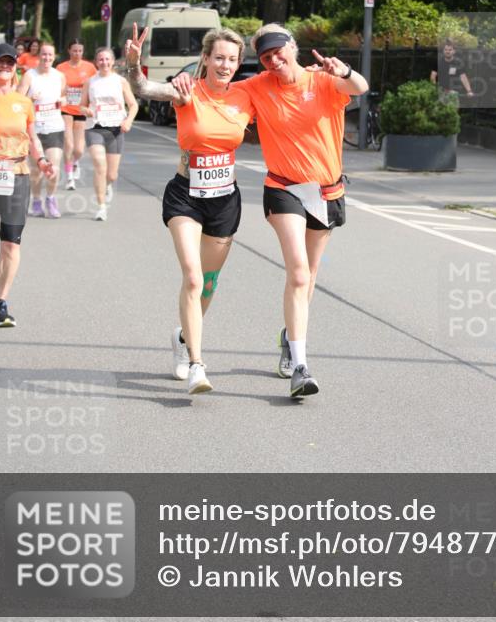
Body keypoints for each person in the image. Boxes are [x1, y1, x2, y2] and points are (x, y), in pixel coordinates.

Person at [173, 22, 369, 399]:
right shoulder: (257, 87)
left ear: (293, 47)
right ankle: (300, 365)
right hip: (283, 189)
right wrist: (184, 87)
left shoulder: (323, 80)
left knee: (308, 278)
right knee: (297, 272)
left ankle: (287, 337)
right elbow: (216, 91)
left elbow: (359, 88)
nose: (274, 60)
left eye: (279, 51)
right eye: (265, 57)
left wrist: (342, 70)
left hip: (327, 190)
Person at [126, 23, 252, 395]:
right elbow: (142, 89)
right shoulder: (186, 92)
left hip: (224, 199)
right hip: (185, 195)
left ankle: (183, 337)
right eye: (218, 58)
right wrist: (133, 64)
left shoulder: (246, 96)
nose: (225, 65)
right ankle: (197, 363)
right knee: (193, 278)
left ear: (238, 62)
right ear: (206, 58)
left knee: (208, 285)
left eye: (231, 59)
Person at [0, 42, 55, 327]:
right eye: (0, 62)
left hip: (16, 175)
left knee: (11, 244)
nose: (5, 67)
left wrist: (41, 160)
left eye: (10, 63)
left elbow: (32, 137)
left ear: (15, 67)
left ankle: (0, 303)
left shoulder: (24, 103)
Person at [79, 47, 138, 221]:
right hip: (95, 127)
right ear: (96, 62)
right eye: (100, 60)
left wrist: (128, 121)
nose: (104, 63)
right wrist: (85, 111)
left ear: (113, 62)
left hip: (115, 129)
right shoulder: (90, 82)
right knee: (99, 165)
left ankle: (108, 185)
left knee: (111, 174)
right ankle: (101, 207)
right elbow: (82, 105)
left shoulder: (120, 81)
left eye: (107, 59)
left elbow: (133, 105)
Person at [17, 41, 66, 218]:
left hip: (54, 127)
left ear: (54, 57)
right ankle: (36, 200)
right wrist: (30, 98)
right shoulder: (30, 76)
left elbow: (63, 97)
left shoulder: (59, 76)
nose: (46, 58)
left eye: (50, 55)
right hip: (34, 129)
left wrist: (63, 102)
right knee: (36, 170)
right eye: (44, 54)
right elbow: (17, 100)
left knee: (54, 167)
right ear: (39, 56)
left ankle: (51, 198)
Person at [57, 38, 96, 189]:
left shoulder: (90, 68)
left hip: (81, 109)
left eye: (80, 51)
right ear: (69, 51)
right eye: (74, 50)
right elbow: (56, 86)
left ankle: (75, 162)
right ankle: (69, 177)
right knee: (68, 144)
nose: (77, 53)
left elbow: (94, 87)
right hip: (65, 109)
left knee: (79, 149)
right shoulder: (61, 68)